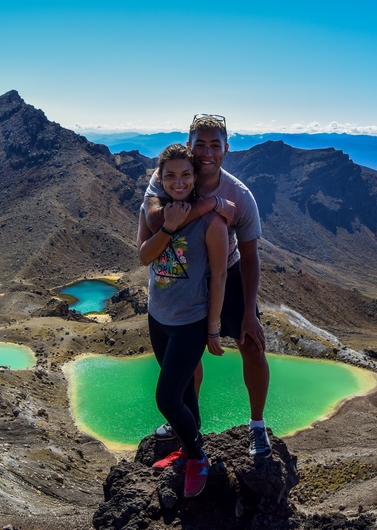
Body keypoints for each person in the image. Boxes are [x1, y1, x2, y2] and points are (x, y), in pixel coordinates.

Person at [143, 114, 271, 457]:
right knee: (187, 354)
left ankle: (257, 425)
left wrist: (248, 312)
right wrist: (210, 204)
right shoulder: (170, 175)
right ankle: (186, 418)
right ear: (189, 145)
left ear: (226, 149)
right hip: (184, 277)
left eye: (215, 145)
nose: (207, 152)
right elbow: (154, 217)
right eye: (200, 144)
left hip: (223, 274)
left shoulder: (239, 196)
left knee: (252, 345)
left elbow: (250, 257)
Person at [137, 143, 229, 498]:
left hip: (190, 323)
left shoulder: (211, 222)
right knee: (185, 392)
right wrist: (168, 229)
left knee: (166, 398)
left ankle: (196, 457)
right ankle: (188, 445)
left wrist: (212, 328)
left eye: (186, 175)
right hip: (157, 317)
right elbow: (145, 256)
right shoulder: (152, 210)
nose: (178, 182)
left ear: (195, 178)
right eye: (171, 175)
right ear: (160, 178)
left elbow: (219, 277)